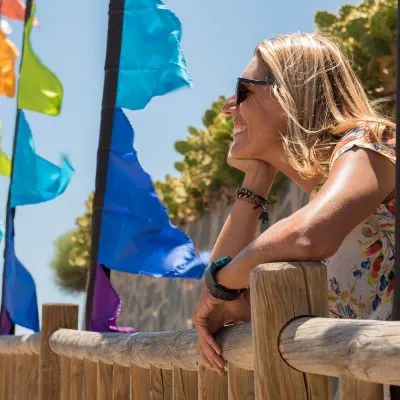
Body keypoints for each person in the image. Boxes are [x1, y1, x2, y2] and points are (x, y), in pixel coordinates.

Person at [191, 33, 396, 378]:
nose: (229, 107)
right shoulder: (327, 196)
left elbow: (307, 236)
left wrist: (220, 284)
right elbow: (224, 309)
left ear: (289, 96)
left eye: (242, 90)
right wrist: (257, 177)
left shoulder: (373, 142)